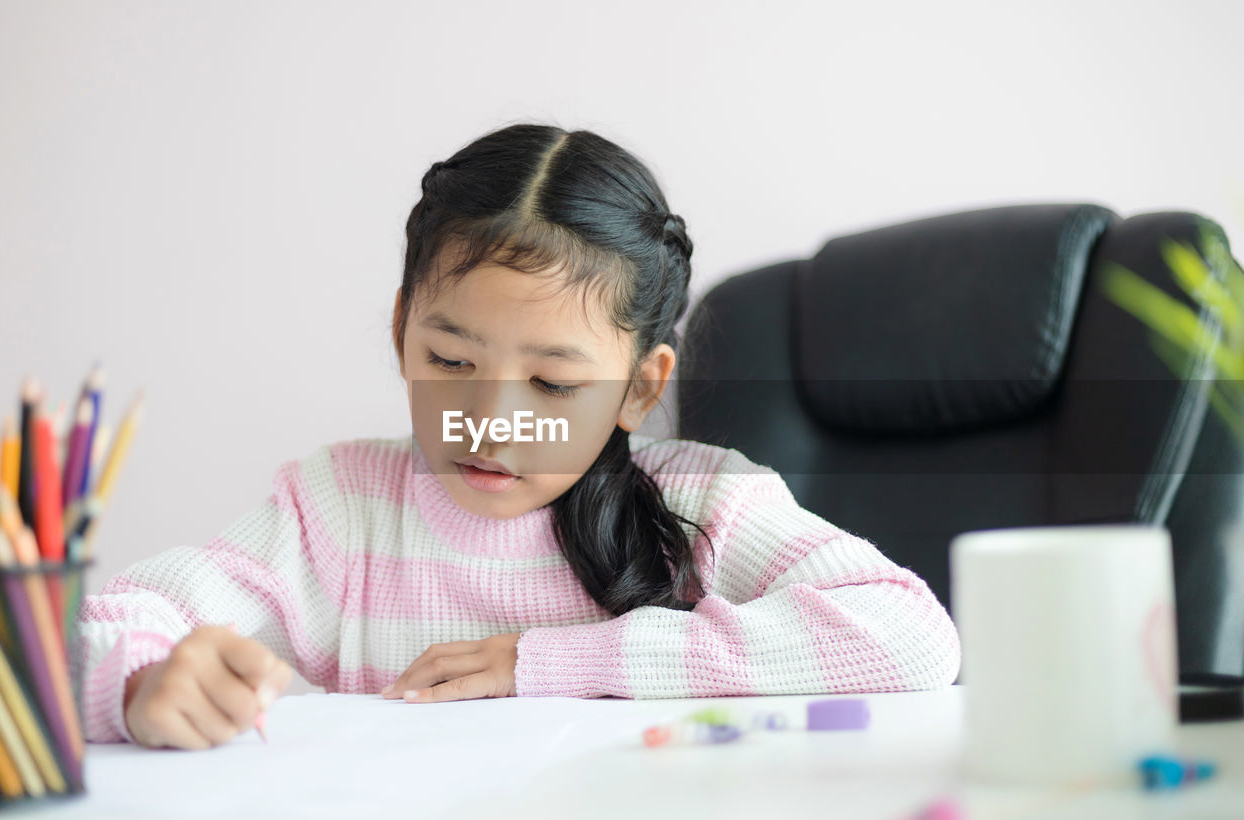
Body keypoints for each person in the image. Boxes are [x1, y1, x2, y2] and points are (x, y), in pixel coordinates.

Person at [78, 123, 961, 750]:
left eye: (554, 382)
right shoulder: (340, 511)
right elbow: (106, 620)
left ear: (638, 387)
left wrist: (545, 661)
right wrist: (140, 682)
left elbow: (909, 635)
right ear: (399, 333)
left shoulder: (704, 502)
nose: (491, 420)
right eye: (451, 360)